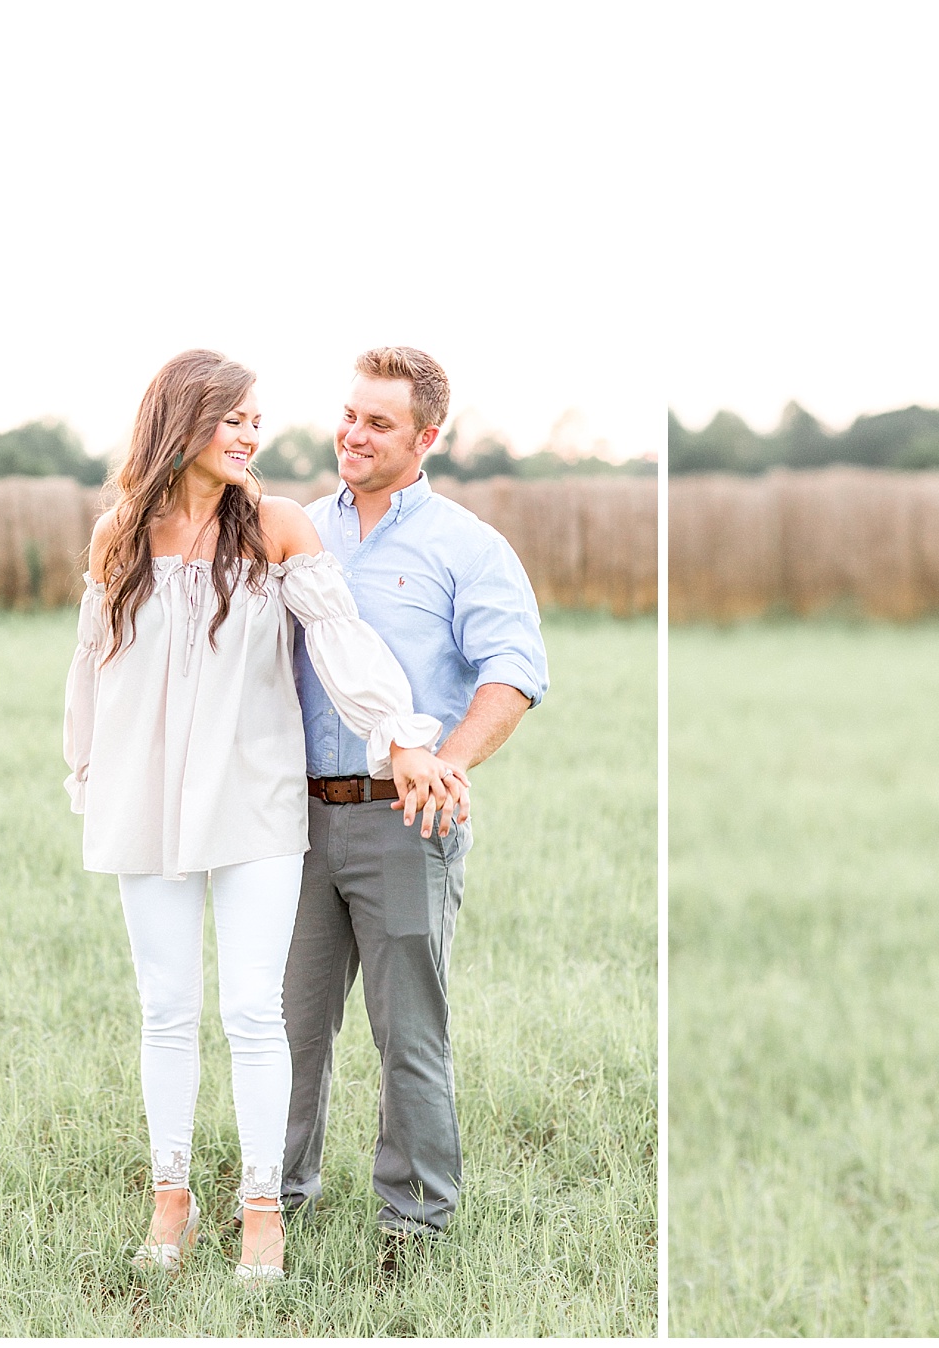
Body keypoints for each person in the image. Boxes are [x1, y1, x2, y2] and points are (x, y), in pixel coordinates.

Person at [64, 349, 467, 1284]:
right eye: (234, 419)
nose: (252, 435)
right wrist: (87, 770)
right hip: (144, 796)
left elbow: (342, 646)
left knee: (253, 1012)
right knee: (164, 1010)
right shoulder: (118, 534)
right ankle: (171, 1204)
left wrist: (401, 735)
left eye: (257, 420)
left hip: (254, 797)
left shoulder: (277, 527)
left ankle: (261, 1216)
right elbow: (91, 666)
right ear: (182, 420)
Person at [279, 346, 549, 1262]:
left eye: (378, 422)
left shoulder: (466, 546)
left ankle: (415, 1224)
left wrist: (448, 761)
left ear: (426, 437)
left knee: (409, 1037)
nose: (353, 433)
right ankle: (275, 1201)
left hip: (406, 820)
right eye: (349, 414)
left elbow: (514, 671)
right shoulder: (297, 529)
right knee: (285, 1029)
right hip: (294, 825)